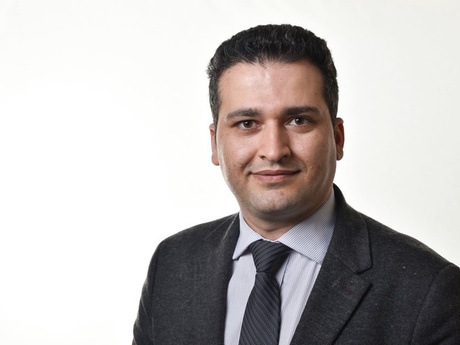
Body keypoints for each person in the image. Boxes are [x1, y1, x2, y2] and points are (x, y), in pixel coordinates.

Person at [132, 24, 460, 345]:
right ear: (215, 142)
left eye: (298, 120)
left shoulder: (428, 291)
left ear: (338, 137)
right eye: (247, 123)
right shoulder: (173, 264)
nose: (274, 150)